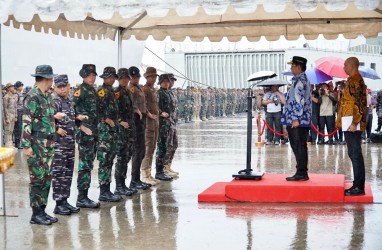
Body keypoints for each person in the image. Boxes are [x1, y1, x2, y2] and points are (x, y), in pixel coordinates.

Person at [22, 65, 63, 225]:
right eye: (51, 79)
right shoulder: (32, 96)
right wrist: (26, 145)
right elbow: (26, 121)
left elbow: (45, 117)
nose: (52, 81)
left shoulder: (47, 96)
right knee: (37, 179)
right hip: (36, 145)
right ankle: (36, 214)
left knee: (46, 178)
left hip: (49, 144)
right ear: (45, 79)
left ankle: (43, 211)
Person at [337, 57, 367, 196]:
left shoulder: (356, 81)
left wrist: (355, 122)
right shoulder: (351, 80)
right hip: (348, 122)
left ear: (352, 65)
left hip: (353, 123)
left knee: (355, 154)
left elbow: (361, 104)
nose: (344, 68)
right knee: (352, 153)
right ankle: (357, 184)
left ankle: (359, 187)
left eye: (345, 65)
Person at [72, 64, 100, 209]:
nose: (92, 78)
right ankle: (81, 198)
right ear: (83, 76)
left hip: (94, 132)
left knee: (89, 164)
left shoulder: (92, 90)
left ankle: (84, 196)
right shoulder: (80, 91)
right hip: (85, 134)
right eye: (89, 75)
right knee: (84, 165)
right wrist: (81, 126)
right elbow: (71, 110)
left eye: (94, 75)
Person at [51, 74, 80, 215]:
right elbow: (46, 118)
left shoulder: (69, 100)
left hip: (69, 143)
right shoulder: (54, 101)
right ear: (55, 87)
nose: (63, 89)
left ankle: (65, 201)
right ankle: (58, 203)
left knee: (68, 173)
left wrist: (78, 118)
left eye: (65, 86)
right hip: (58, 145)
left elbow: (70, 118)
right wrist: (56, 129)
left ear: (69, 86)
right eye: (59, 87)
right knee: (59, 174)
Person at [281, 56, 312, 181]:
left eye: (292, 66)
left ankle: (301, 173)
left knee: (298, 145)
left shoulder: (299, 81)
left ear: (298, 67)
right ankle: (301, 171)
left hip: (298, 120)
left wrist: (294, 118)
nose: (291, 68)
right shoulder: (302, 80)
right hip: (301, 119)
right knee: (299, 145)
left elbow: (299, 101)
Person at [97, 67, 122, 202]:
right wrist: (106, 119)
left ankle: (107, 189)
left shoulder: (112, 91)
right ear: (104, 77)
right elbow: (97, 110)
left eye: (113, 77)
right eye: (109, 77)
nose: (111, 79)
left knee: (110, 160)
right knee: (105, 161)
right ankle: (103, 191)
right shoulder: (101, 92)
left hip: (112, 132)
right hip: (105, 132)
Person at [114, 68, 137, 196]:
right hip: (122, 129)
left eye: (126, 78)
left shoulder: (127, 92)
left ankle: (123, 184)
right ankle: (119, 186)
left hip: (130, 128)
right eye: (122, 78)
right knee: (122, 157)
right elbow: (112, 110)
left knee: (127, 155)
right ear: (119, 79)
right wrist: (119, 121)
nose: (125, 80)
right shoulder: (117, 92)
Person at [128, 66, 151, 190]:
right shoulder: (131, 89)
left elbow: (143, 104)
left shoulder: (138, 88)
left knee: (142, 149)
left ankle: (136, 179)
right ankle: (134, 180)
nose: (136, 79)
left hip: (142, 120)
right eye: (133, 77)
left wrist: (147, 112)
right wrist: (136, 110)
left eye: (137, 77)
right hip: (136, 121)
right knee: (138, 150)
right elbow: (132, 104)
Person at [140, 67, 161, 186]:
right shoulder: (145, 90)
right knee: (148, 149)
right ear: (147, 77)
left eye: (155, 76)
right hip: (148, 123)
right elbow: (143, 106)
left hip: (155, 122)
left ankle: (149, 173)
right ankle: (144, 174)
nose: (153, 78)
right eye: (151, 76)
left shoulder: (153, 90)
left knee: (152, 148)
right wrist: (148, 114)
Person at [155, 74, 174, 181]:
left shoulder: (167, 93)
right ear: (161, 82)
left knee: (165, 147)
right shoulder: (159, 93)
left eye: (167, 81)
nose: (166, 83)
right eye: (164, 82)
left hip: (168, 122)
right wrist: (161, 112)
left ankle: (161, 170)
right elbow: (154, 106)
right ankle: (159, 171)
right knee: (161, 147)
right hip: (161, 123)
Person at [163, 73, 179, 177]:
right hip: (165, 123)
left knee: (174, 144)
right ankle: (164, 167)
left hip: (172, 122)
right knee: (167, 145)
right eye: (170, 80)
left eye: (172, 81)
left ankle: (168, 165)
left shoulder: (171, 92)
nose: (171, 82)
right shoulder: (161, 93)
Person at [3, 83, 17, 147]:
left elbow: (15, 107)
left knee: (11, 130)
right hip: (8, 116)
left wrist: (16, 116)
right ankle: (7, 143)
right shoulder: (6, 97)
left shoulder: (13, 96)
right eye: (11, 87)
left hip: (13, 115)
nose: (13, 88)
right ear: (8, 88)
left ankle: (10, 142)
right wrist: (7, 118)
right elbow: (5, 108)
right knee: (7, 131)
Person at [13, 81, 24, 148]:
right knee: (18, 128)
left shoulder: (20, 94)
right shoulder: (16, 95)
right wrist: (16, 115)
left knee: (21, 128)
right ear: (17, 87)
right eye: (20, 86)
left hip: (21, 111)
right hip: (18, 111)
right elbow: (15, 105)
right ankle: (17, 144)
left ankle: (19, 143)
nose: (21, 87)